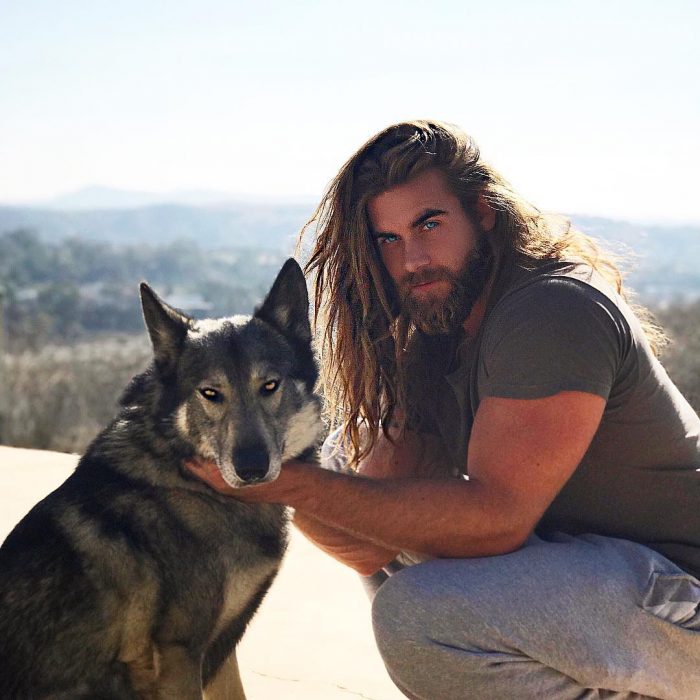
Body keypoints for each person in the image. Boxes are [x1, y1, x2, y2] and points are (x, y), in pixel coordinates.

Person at [187, 121, 700, 699]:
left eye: (429, 224)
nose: (413, 259)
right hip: (613, 591)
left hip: (683, 592)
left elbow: (495, 520)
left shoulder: (550, 310)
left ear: (483, 213)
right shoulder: (433, 339)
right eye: (389, 239)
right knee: (371, 501)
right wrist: (260, 474)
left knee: (421, 613)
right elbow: (370, 545)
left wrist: (289, 485)